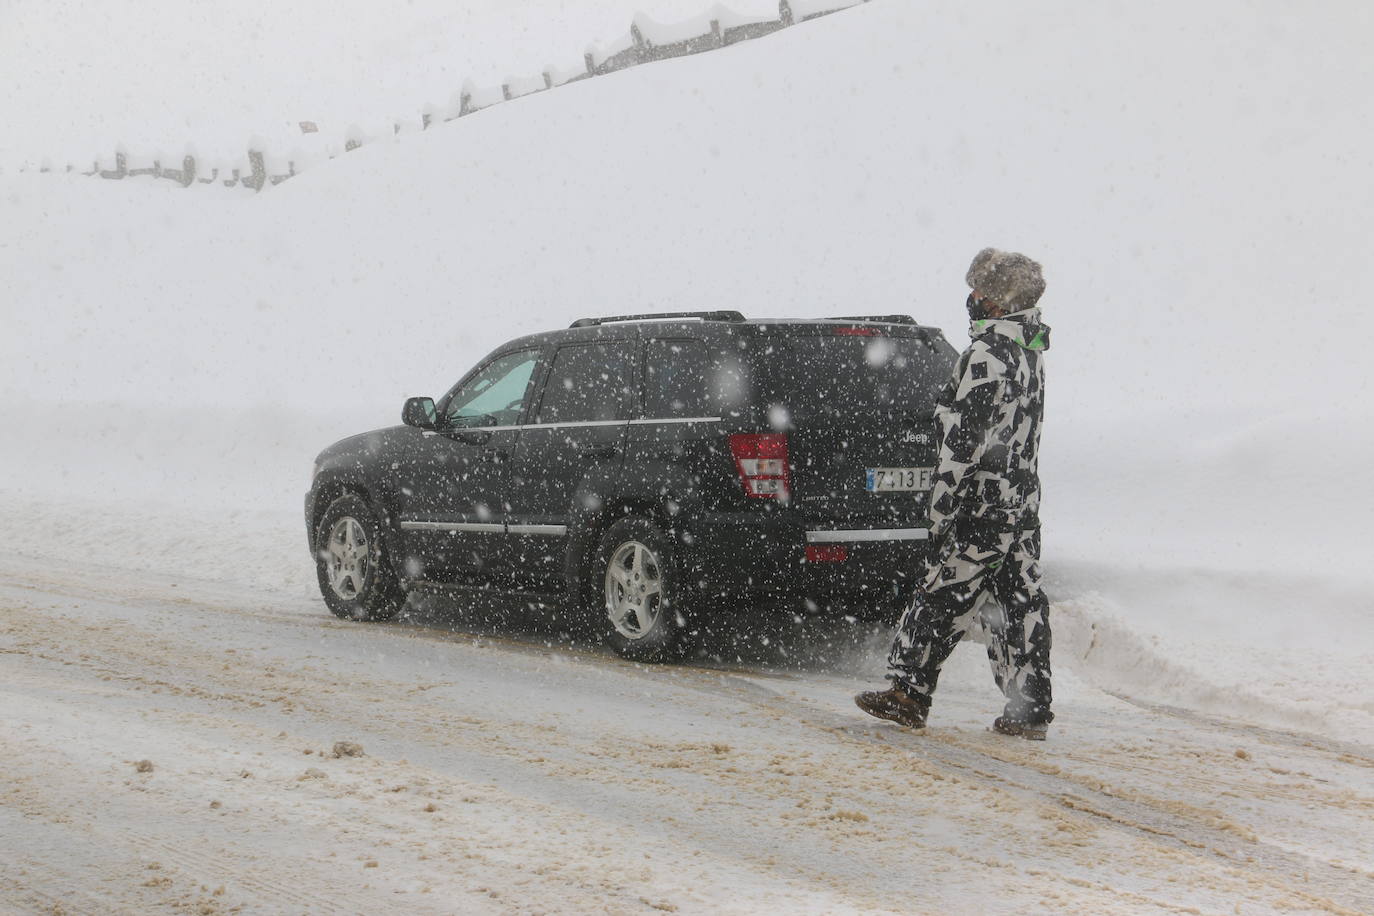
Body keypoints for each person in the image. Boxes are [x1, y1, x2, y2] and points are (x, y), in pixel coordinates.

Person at [855, 248, 1054, 739]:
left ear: (999, 299)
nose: (972, 298)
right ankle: (1029, 710)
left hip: (981, 507)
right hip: (1021, 507)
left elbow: (962, 444)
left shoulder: (987, 355)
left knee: (939, 597)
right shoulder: (1029, 351)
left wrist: (941, 509)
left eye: (980, 290)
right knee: (1019, 605)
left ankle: (908, 694)